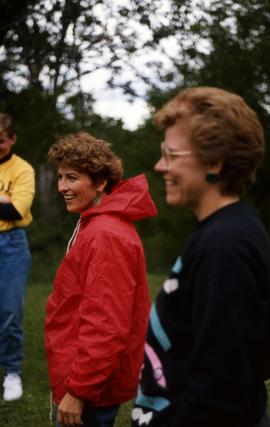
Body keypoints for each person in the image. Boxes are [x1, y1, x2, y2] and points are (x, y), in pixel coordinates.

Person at [131, 87, 270, 427]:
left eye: (172, 154)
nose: (159, 165)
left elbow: (220, 395)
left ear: (214, 162)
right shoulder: (224, 232)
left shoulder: (225, 246)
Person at [45, 131, 157, 427]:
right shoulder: (96, 224)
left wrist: (79, 391)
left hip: (90, 389)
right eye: (60, 177)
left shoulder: (106, 235)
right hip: (83, 375)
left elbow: (106, 324)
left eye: (72, 178)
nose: (61, 187)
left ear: (101, 182)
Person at [0, 113, 35, 401]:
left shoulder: (22, 169)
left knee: (10, 312)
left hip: (11, 244)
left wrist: (8, 204)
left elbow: (15, 211)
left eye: (0, 140)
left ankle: (12, 371)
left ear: (11, 139)